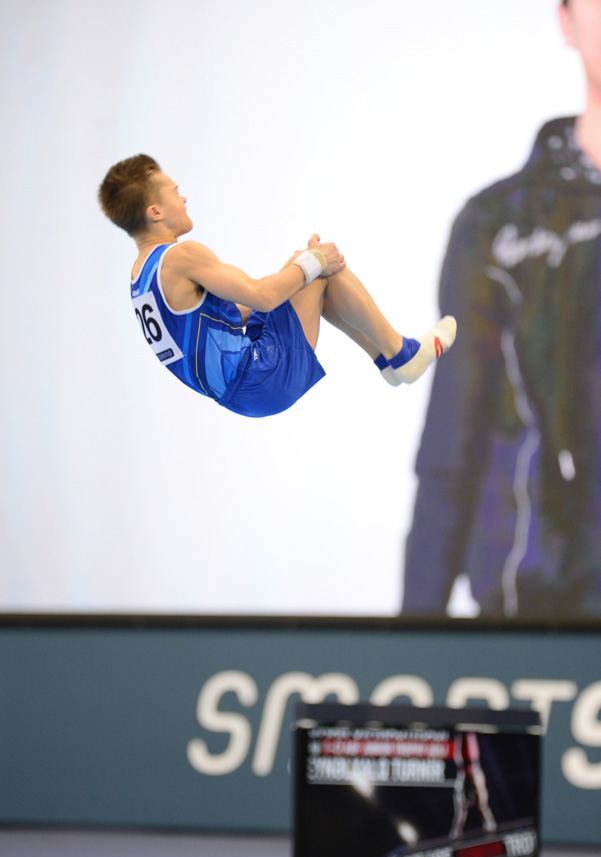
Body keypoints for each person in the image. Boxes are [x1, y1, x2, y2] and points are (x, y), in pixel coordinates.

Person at [403, 0, 601, 618]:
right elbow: (452, 439)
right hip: (536, 614)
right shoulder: (496, 227)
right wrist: (409, 640)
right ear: (566, 19)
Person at [98, 157, 456, 418]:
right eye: (175, 192)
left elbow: (235, 314)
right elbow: (264, 297)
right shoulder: (180, 257)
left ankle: (388, 360)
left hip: (240, 392)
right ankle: (402, 354)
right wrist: (314, 262)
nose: (184, 199)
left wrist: (302, 266)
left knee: (309, 271)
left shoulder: (140, 277)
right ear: (155, 212)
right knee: (316, 270)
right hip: (259, 375)